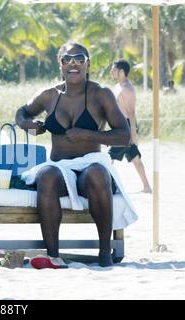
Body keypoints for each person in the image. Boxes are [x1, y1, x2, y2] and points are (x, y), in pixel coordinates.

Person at [15, 42, 131, 267]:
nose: (73, 64)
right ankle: (53, 256)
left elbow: (124, 136)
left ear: (88, 65)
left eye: (79, 59)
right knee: (46, 174)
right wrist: (27, 124)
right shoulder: (49, 95)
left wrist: (88, 135)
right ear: (60, 65)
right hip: (60, 168)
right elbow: (21, 112)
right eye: (67, 60)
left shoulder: (101, 94)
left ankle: (105, 253)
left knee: (98, 173)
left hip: (90, 165)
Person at [109, 60, 152, 193]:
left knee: (110, 157)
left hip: (126, 127)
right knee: (134, 157)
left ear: (122, 72)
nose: (111, 72)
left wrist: (133, 133)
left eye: (114, 69)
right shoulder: (119, 86)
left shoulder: (128, 89)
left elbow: (131, 112)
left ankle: (106, 184)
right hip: (120, 125)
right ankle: (147, 186)